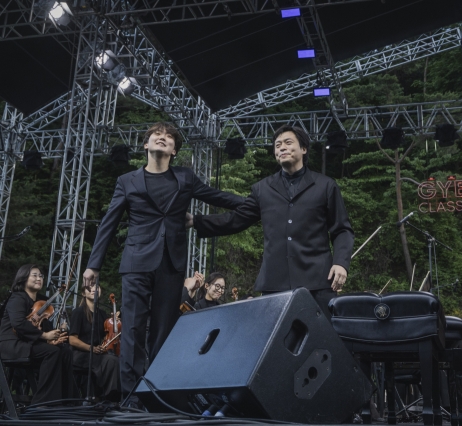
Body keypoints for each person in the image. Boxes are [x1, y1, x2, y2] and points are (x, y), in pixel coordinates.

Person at [82, 121, 244, 403]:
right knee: (131, 329)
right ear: (146, 144)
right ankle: (130, 398)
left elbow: (217, 197)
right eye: (157, 135)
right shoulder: (127, 181)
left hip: (171, 262)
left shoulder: (185, 177)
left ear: (174, 150)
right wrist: (93, 264)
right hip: (136, 261)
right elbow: (108, 224)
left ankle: (156, 395)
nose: (162, 138)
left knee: (162, 331)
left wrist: (254, 203)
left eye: (169, 137)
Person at [186, 125, 354, 318]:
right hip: (275, 285)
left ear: (304, 149)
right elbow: (235, 219)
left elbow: (342, 230)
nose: (281, 148)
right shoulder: (262, 189)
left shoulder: (326, 186)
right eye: (277, 145)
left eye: (288, 143)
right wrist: (195, 221)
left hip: (318, 282)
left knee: (322, 341)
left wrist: (341, 263)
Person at [0, 264, 76, 404]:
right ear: (23, 278)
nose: (38, 278)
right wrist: (44, 337)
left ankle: (66, 401)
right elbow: (19, 324)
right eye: (34, 275)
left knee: (65, 352)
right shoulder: (17, 298)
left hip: (29, 343)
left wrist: (50, 339)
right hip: (12, 344)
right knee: (52, 353)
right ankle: (43, 403)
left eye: (40, 275)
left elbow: (44, 328)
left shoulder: (42, 302)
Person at [69, 284, 120, 401]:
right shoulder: (78, 312)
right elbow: (72, 340)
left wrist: (114, 323)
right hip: (81, 354)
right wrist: (90, 348)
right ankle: (106, 397)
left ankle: (110, 397)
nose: (94, 290)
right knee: (111, 361)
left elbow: (106, 336)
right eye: (90, 288)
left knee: (115, 360)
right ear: (83, 293)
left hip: (98, 353)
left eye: (97, 287)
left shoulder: (102, 314)